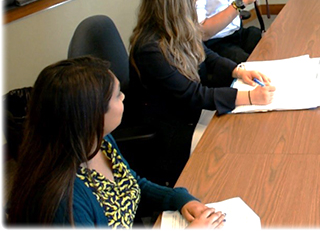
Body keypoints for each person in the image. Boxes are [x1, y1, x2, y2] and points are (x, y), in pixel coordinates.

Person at [6, 57, 225, 227]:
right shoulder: (65, 203)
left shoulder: (99, 140)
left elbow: (130, 184)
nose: (124, 98)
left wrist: (180, 199)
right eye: (118, 95)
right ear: (92, 115)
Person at [129, 0, 275, 187]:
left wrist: (238, 70)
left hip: (193, 114)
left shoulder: (175, 27)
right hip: (174, 130)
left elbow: (204, 53)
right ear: (178, 0)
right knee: (242, 149)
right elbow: (193, 95)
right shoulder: (150, 48)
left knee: (250, 130)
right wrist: (248, 97)